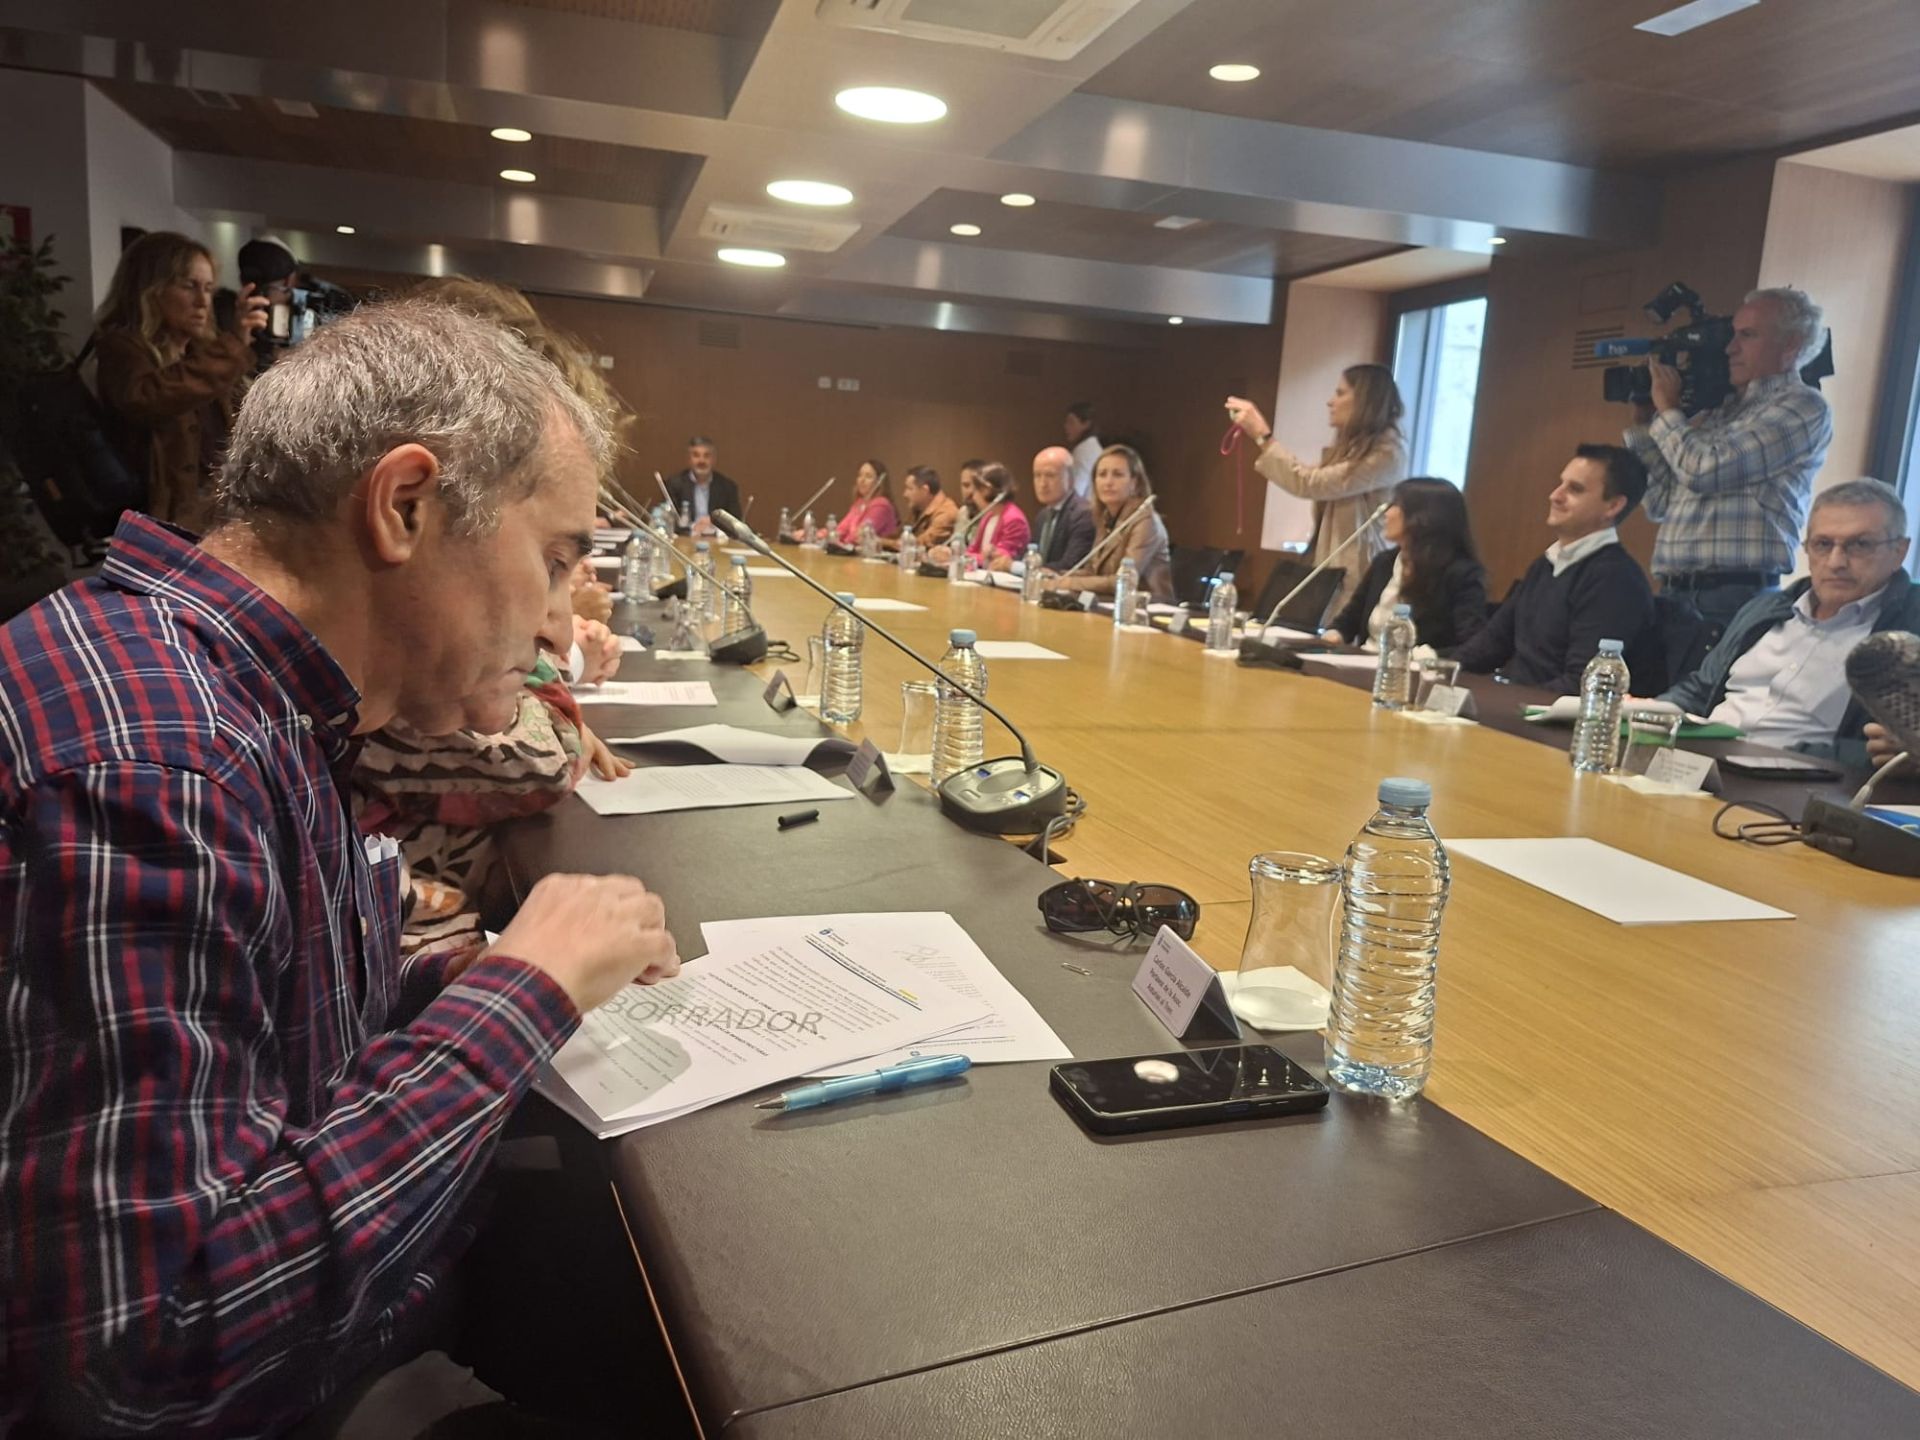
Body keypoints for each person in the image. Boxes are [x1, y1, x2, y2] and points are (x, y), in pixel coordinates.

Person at [0, 298, 682, 1436]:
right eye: (556, 559)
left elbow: (269, 1038)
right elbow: (143, 1359)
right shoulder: (161, 767)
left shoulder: (240, 697)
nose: (565, 625)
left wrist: (461, 980)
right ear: (405, 505)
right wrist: (526, 995)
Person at [1660, 478, 1920, 765]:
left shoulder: (1908, 630)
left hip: (1806, 783)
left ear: (1899, 552)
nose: (1836, 562)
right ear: (1807, 549)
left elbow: (1892, 747)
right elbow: (1699, 690)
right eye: (1823, 544)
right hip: (1701, 764)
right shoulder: (1764, 609)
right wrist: (1644, 712)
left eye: (1859, 544)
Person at [1624, 286, 1834, 627]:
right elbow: (1662, 503)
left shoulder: (1801, 406)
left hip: (1733, 599)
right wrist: (1647, 423)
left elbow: (1704, 471)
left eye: (1747, 336)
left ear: (1791, 345)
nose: (1730, 348)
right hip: (1673, 591)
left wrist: (1669, 413)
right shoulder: (1721, 411)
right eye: (1733, 334)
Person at [93, 230, 268, 527]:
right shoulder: (122, 348)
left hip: (210, 515)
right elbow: (148, 397)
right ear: (152, 288)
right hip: (156, 523)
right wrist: (232, 347)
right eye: (189, 286)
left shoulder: (203, 351)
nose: (203, 301)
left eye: (209, 288)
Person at [1452, 444, 1657, 693]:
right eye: (1561, 484)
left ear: (1612, 506)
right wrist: (1433, 668)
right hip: (1516, 701)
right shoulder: (1546, 563)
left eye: (1575, 489)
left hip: (1546, 720)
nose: (1555, 496)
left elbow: (1581, 683)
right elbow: (1491, 644)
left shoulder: (1615, 581)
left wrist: (1506, 704)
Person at [1228, 364, 1409, 612]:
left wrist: (1262, 435)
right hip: (1330, 566)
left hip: (1358, 570)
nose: (1330, 402)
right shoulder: (1353, 448)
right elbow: (1310, 478)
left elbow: (1310, 483)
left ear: (1365, 400)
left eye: (1340, 393)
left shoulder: (1388, 453)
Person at [1325, 477, 1487, 651]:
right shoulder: (1384, 562)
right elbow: (1348, 620)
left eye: (1395, 505)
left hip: (1411, 672)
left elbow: (1472, 645)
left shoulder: (1461, 574)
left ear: (1423, 517)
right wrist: (1334, 634)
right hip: (1362, 663)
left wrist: (1427, 657)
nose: (1386, 513)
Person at [1045, 444, 1172, 601]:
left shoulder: (1146, 521)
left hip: (1147, 610)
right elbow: (1093, 571)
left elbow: (1123, 580)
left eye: (1117, 475)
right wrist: (1057, 577)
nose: (1108, 482)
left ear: (1135, 483)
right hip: (1109, 603)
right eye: (1102, 474)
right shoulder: (1106, 516)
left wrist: (1070, 583)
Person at [995, 444, 1093, 574]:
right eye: (1037, 475)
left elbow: (1070, 566)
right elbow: (1033, 556)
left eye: (1050, 475)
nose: (1042, 483)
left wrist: (1013, 566)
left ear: (1070, 478)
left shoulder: (1083, 514)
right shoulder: (1043, 515)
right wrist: (1005, 560)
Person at [930, 461, 1029, 570]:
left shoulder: (1014, 520)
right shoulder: (988, 516)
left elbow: (997, 560)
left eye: (976, 490)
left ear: (987, 490)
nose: (973, 496)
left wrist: (957, 558)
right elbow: (973, 551)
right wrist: (952, 555)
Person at [664, 435, 741, 536]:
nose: (701, 461)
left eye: (706, 456)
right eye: (696, 455)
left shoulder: (728, 487)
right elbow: (668, 520)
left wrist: (714, 524)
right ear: (689, 459)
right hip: (686, 540)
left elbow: (737, 523)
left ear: (714, 459)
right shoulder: (674, 484)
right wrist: (693, 528)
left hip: (718, 541)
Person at [882, 465, 959, 553]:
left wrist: (881, 541)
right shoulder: (918, 508)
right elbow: (899, 535)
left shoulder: (946, 513)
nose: (905, 494)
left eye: (910, 489)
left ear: (925, 490)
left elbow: (914, 544)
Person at [833, 458, 900, 544]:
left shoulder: (881, 505)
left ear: (879, 482)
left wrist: (842, 542)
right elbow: (841, 529)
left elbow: (859, 536)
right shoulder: (859, 503)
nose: (862, 480)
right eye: (860, 475)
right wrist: (824, 535)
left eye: (868, 476)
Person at [1063, 401, 1102, 501]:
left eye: (1071, 422)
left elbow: (1077, 489)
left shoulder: (1084, 451)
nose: (1066, 427)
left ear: (1086, 424)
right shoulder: (1092, 447)